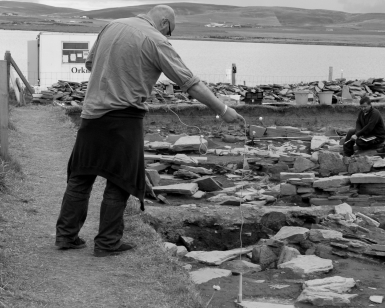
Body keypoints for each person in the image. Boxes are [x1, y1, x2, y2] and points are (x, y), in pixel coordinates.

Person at [54, 5, 244, 257]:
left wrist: (126, 78)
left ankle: (66, 236)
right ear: (165, 23)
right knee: (120, 180)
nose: (169, 36)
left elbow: (91, 65)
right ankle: (107, 243)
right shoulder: (156, 40)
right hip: (124, 118)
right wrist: (223, 109)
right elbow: (190, 83)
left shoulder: (111, 26)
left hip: (91, 114)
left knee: (81, 176)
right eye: (171, 31)